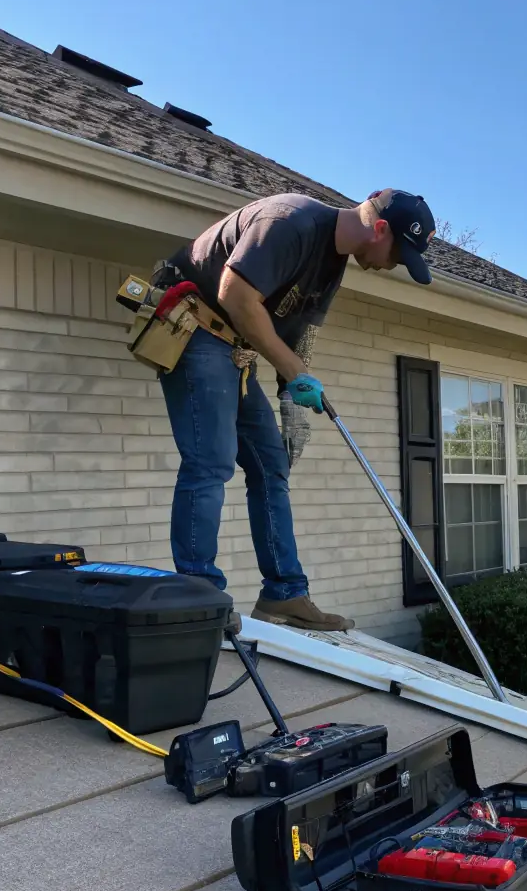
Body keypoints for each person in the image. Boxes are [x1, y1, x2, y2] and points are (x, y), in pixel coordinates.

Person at [151, 189, 436, 631]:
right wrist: (288, 367)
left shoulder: (332, 263)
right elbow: (236, 294)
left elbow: (300, 336)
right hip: (196, 326)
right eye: (397, 254)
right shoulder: (291, 221)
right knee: (211, 461)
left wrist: (292, 402)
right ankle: (197, 594)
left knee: (270, 465)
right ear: (379, 229)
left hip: (233, 349)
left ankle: (284, 594)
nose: (391, 265)